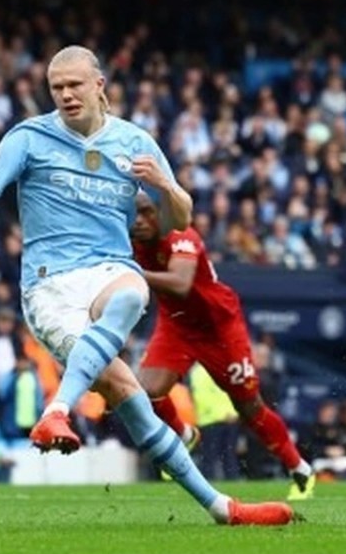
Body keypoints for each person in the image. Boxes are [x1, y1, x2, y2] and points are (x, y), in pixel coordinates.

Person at [0, 45, 291, 526]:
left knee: (132, 290)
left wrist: (165, 185)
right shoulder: (28, 138)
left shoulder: (135, 141)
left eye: (74, 85)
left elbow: (178, 219)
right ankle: (219, 506)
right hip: (49, 285)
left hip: (109, 270)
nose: (65, 95)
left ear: (99, 85)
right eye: (56, 88)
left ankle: (61, 412)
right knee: (131, 396)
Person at [130, 196, 316, 500]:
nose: (138, 220)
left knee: (249, 408)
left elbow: (180, 283)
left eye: (146, 213)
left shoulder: (181, 235)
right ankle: (184, 435)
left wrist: (131, 271)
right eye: (133, 214)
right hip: (177, 326)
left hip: (220, 329)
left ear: (160, 215)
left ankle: (300, 469)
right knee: (145, 392)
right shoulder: (128, 240)